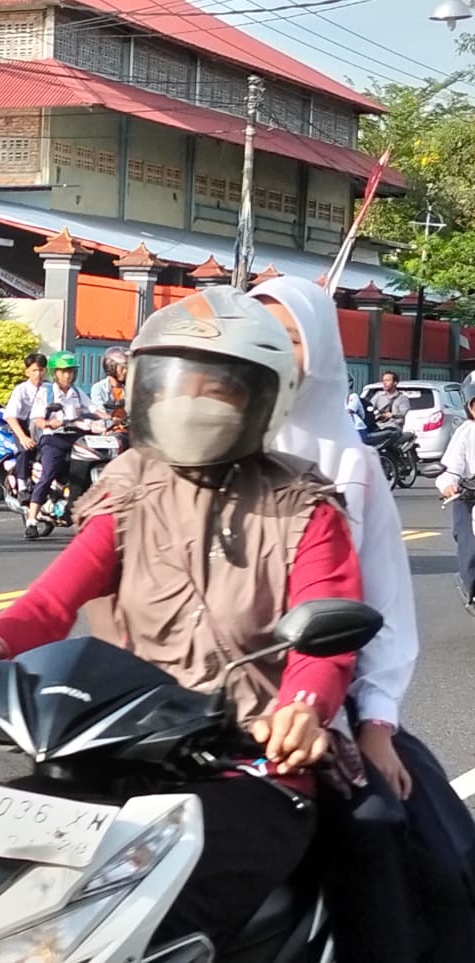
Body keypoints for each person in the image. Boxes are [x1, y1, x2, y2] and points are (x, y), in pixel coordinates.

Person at [0, 286, 362, 950]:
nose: (191, 401)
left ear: (262, 398)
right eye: (176, 383)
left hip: (247, 768)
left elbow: (323, 642)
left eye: (218, 387)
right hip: (111, 751)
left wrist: (302, 707)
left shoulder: (302, 507)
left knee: (140, 913)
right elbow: (49, 602)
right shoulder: (128, 488)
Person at [254, 276, 475, 962]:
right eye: (262, 337)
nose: (274, 355)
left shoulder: (349, 464)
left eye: (289, 338)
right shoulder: (203, 441)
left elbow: (380, 600)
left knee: (402, 835)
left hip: (326, 693)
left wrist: (375, 724)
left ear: (318, 349)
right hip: (203, 692)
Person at [23, 350, 105, 540]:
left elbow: (94, 409)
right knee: (48, 473)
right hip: (53, 438)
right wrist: (49, 423)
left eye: (70, 371)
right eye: (63, 371)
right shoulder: (47, 392)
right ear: (55, 373)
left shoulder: (77, 392)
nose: (67, 375)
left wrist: (112, 419)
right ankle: (32, 519)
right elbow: (36, 419)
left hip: (76, 437)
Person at [436, 385, 475, 609]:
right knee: (469, 545)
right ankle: (470, 584)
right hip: (469, 496)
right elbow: (450, 469)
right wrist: (449, 485)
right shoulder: (466, 432)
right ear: (470, 407)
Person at [2, 353, 47, 505]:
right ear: (27, 371)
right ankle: (22, 486)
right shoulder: (21, 390)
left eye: (41, 370)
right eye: (34, 370)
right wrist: (22, 437)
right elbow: (10, 416)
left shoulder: (49, 388)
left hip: (40, 425)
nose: (38, 374)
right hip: (21, 425)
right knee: (25, 449)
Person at [90, 345, 129, 425]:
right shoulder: (99, 388)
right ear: (110, 367)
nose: (125, 371)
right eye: (122, 368)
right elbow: (100, 413)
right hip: (108, 431)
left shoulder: (130, 388)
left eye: (127, 368)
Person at [346, 375, 369, 442]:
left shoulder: (353, 396)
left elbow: (349, 411)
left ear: (349, 383)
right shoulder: (338, 398)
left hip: (357, 429)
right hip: (344, 429)